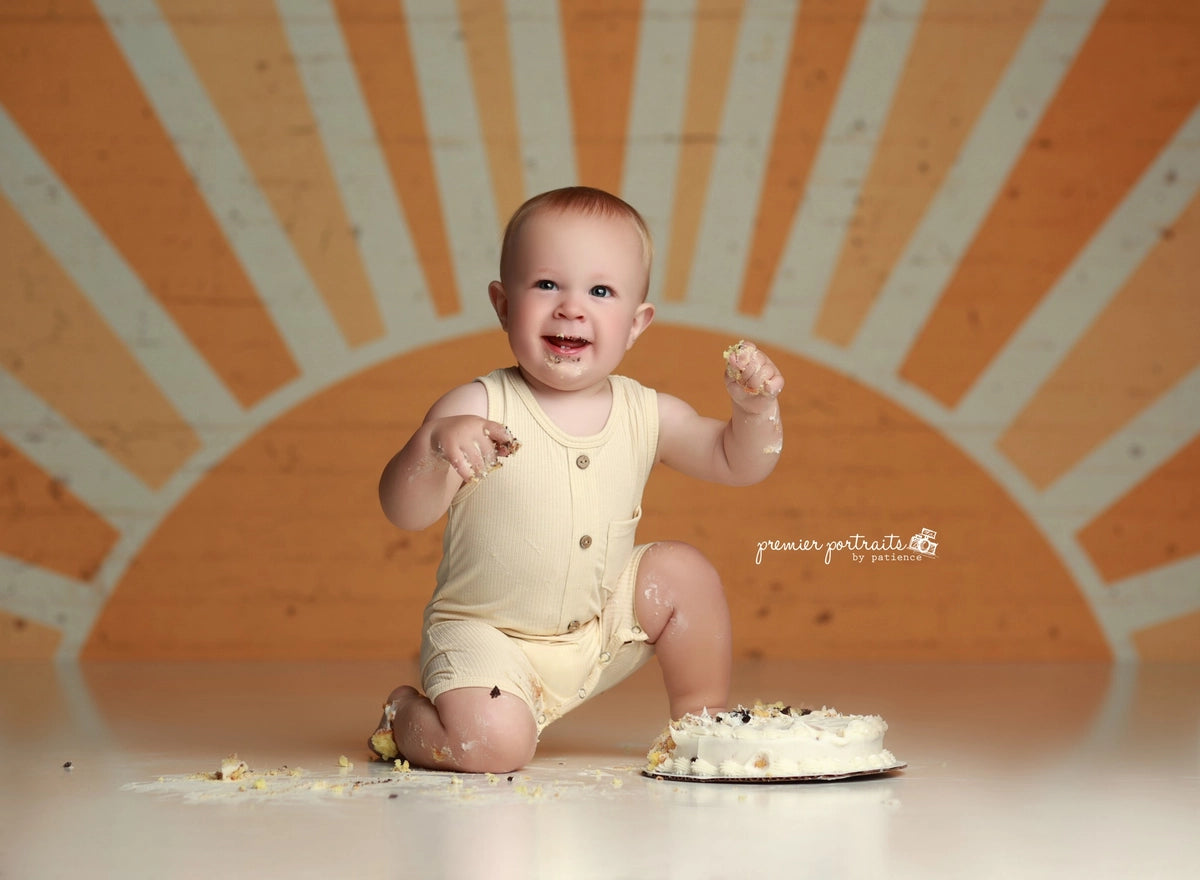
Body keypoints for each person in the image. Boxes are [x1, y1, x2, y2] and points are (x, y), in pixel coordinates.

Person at [370, 186, 784, 773]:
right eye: (546, 285)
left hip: (596, 632)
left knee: (682, 573)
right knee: (495, 749)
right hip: (488, 638)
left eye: (599, 291)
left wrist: (754, 412)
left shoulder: (648, 412)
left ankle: (702, 725)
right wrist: (435, 447)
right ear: (503, 303)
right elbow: (402, 510)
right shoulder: (478, 407)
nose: (571, 307)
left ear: (636, 323)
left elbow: (736, 462)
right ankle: (403, 718)